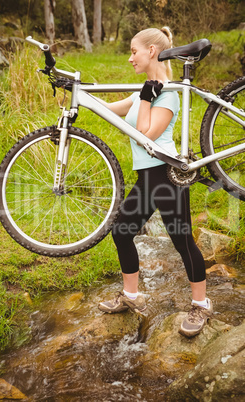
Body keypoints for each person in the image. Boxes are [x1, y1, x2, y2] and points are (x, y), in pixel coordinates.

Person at [97, 26, 213, 338]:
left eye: (134, 51)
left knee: (182, 242)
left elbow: (147, 135)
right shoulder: (142, 93)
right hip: (146, 179)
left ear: (151, 51)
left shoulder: (170, 93)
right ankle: (132, 297)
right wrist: (77, 93)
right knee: (121, 233)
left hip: (167, 177)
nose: (130, 57)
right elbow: (106, 110)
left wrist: (147, 98)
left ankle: (201, 304)